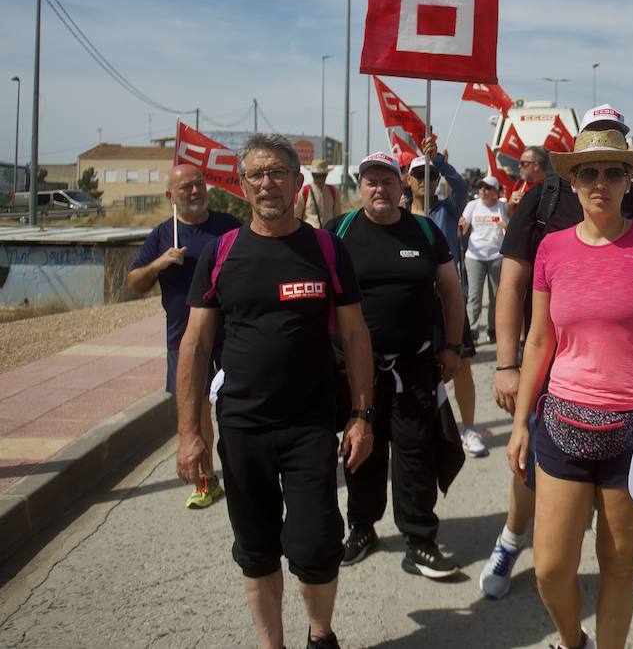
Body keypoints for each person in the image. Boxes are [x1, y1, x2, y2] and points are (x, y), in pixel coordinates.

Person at [482, 105, 633, 630]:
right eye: (588, 171)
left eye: (613, 170)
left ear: (628, 179)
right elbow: (539, 339)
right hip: (563, 423)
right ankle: (573, 640)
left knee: (619, 568)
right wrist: (521, 421)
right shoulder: (550, 245)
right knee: (550, 569)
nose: (601, 182)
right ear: (570, 181)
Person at [175, 133, 374, 649]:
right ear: (243, 186)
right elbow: (196, 346)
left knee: (315, 545)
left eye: (277, 172)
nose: (267, 183)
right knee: (256, 548)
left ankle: (320, 635)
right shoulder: (221, 254)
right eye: (256, 175)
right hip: (242, 426)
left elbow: (354, 336)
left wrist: (361, 414)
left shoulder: (326, 249)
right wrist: (189, 432)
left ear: (295, 180)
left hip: (310, 424)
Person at [327, 152, 469, 579]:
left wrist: (455, 348)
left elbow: (450, 291)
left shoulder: (424, 230)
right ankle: (362, 528)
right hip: (356, 373)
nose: (379, 189)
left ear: (401, 187)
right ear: (360, 188)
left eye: (387, 181)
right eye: (370, 181)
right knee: (361, 453)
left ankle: (420, 540)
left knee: (414, 456)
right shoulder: (339, 232)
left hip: (414, 366)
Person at [127, 164, 240, 508]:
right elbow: (134, 282)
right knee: (197, 410)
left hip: (231, 331)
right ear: (170, 197)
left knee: (234, 406)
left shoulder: (228, 227)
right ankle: (207, 480)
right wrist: (159, 264)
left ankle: (244, 470)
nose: (195, 191)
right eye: (187, 187)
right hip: (184, 336)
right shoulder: (164, 234)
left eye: (199, 184)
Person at [407, 138, 486, 458]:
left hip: (448, 301)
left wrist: (436, 160)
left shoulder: (449, 209)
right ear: (407, 180)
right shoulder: (397, 215)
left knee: (463, 364)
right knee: (419, 369)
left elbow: (460, 187)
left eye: (432, 176)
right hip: (414, 303)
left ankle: (468, 429)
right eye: (419, 175)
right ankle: (424, 430)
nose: (426, 180)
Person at [460, 176, 508, 344]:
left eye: (487, 188)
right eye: (481, 187)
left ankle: (492, 328)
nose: (482, 191)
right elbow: (463, 227)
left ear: (495, 192)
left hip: (496, 256)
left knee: (496, 296)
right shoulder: (472, 206)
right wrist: (461, 225)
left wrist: (506, 226)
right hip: (474, 256)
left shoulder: (503, 206)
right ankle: (472, 329)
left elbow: (512, 230)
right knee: (474, 295)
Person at [295, 158, 337, 228]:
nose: (319, 179)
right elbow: (297, 217)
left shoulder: (334, 191)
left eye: (322, 176)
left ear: (326, 175)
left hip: (328, 234)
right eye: (316, 175)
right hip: (309, 234)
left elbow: (337, 216)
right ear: (312, 175)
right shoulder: (304, 191)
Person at [508, 144, 551, 208]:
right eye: (519, 163)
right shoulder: (519, 184)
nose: (519, 166)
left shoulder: (550, 188)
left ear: (536, 166)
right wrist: (510, 204)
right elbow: (510, 216)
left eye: (523, 163)